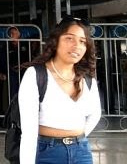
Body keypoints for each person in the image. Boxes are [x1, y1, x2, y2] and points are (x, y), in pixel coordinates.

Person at [18, 15, 101, 164]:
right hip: (47, 153)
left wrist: (75, 139)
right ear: (56, 41)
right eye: (69, 38)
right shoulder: (36, 74)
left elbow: (95, 114)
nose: (76, 45)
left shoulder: (87, 77)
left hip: (81, 152)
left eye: (82, 41)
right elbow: (29, 133)